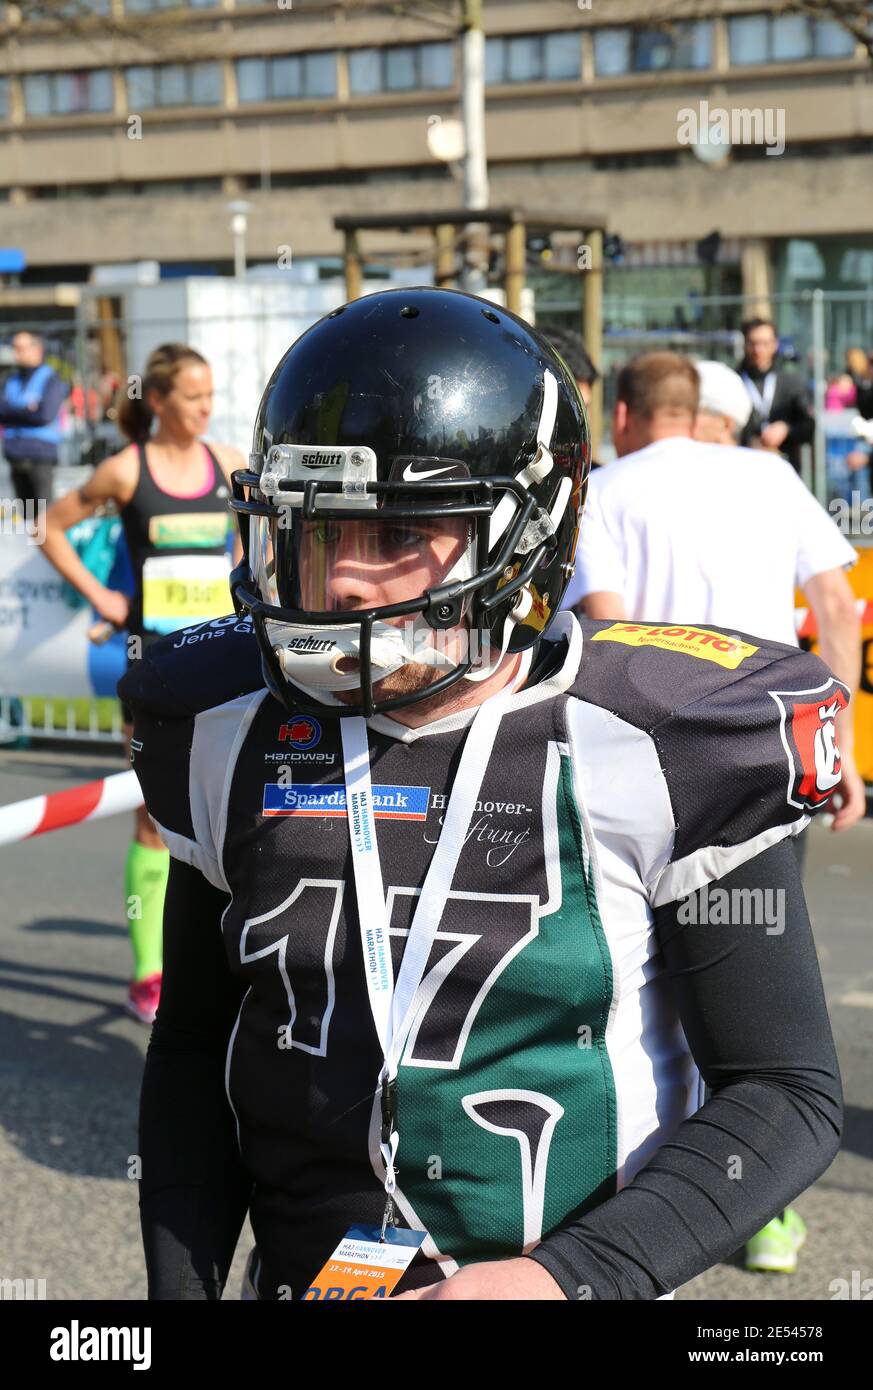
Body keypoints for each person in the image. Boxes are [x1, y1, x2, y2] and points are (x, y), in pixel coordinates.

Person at [121, 290, 842, 1302]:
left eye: (402, 532)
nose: (352, 585)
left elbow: (784, 1090)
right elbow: (197, 1052)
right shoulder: (227, 727)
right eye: (322, 533)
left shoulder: (659, 739)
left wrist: (568, 1279)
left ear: (530, 532)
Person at [566, 351, 865, 833]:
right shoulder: (773, 475)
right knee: (770, 905)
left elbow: (608, 626)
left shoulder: (598, 490)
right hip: (779, 743)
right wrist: (840, 746)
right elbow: (837, 608)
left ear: (621, 415)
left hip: (658, 758)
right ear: (692, 411)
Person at [41, 343, 245, 1025]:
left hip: (222, 664)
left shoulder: (228, 464)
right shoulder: (126, 471)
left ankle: (228, 960)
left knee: (232, 812)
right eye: (193, 397)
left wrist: (246, 579)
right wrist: (101, 596)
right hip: (155, 670)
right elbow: (51, 526)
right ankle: (148, 974)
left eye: (211, 396)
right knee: (153, 819)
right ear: (156, 401)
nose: (205, 409)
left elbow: (259, 532)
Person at [0, 330, 67, 510]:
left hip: (40, 456)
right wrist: (26, 410)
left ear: (37, 350)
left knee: (45, 515)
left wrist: (13, 412)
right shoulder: (11, 380)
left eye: (21, 348)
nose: (17, 353)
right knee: (27, 517)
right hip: (15, 455)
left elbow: (44, 415)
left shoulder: (49, 378)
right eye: (15, 348)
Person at [737, 317, 814, 473]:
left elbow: (808, 427)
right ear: (745, 344)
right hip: (742, 468)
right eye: (753, 343)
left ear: (775, 345)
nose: (758, 350)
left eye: (765, 343)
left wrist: (786, 428)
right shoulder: (734, 381)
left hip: (783, 469)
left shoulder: (791, 381)